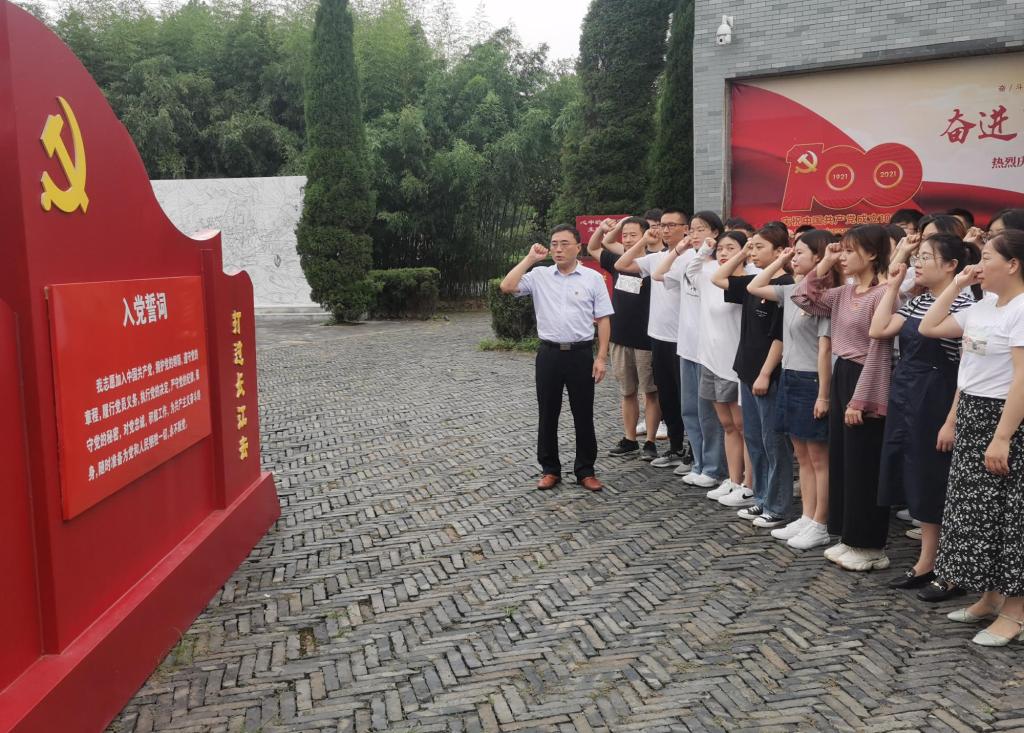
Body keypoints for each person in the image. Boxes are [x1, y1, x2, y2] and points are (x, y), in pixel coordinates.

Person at [919, 228, 1024, 647]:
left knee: (1009, 518)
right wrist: (959, 285)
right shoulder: (982, 306)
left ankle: (1015, 612)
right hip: (973, 414)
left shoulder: (1021, 309)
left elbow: (1022, 379)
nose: (978, 265)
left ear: (1013, 265)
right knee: (976, 516)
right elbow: (929, 326)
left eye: (987, 258)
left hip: (1005, 419)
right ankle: (989, 597)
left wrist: (1003, 436)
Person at [869, 233, 978, 595]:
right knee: (915, 477)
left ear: (951, 266)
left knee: (936, 479)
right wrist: (893, 285)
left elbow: (967, 370)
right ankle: (927, 560)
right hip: (906, 394)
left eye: (926, 258)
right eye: (917, 257)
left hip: (937, 398)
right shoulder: (918, 301)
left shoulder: (965, 305)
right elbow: (878, 329)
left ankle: (946, 565)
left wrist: (952, 418)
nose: (917, 264)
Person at [792, 224, 896, 571]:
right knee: (845, 461)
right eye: (843, 249)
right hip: (843, 375)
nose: (844, 256)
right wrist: (826, 261)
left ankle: (871, 546)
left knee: (865, 464)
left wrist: (860, 400)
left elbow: (880, 351)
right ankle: (850, 537)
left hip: (867, 379)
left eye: (851, 250)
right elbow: (803, 296)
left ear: (873, 254)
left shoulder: (883, 294)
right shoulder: (844, 292)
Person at [500, 226, 613, 492]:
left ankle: (585, 470)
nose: (558, 249)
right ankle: (550, 469)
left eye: (564, 244)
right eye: (554, 244)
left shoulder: (592, 278)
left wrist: (601, 357)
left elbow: (603, 319)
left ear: (578, 247)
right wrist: (530, 259)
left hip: (581, 354)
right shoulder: (539, 275)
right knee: (547, 413)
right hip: (549, 354)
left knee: (583, 413)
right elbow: (507, 286)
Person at [747, 229, 837, 549]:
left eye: (800, 253)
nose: (793, 257)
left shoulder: (826, 297)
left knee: (818, 458)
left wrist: (824, 394)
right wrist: (781, 260)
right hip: (789, 376)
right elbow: (754, 286)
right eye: (792, 252)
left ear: (820, 257)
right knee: (802, 455)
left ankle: (821, 522)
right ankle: (807, 516)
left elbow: (826, 350)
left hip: (812, 380)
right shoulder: (792, 290)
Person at [654, 231, 752, 498]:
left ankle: (748, 484)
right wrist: (704, 250)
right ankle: (732, 479)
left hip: (733, 365)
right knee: (727, 424)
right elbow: (689, 271)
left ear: (744, 251)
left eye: (731, 248)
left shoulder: (749, 280)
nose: (723, 253)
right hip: (709, 359)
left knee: (743, 427)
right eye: (721, 249)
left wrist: (742, 256)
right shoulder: (708, 274)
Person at [711, 226, 794, 525]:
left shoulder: (785, 286)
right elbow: (718, 278)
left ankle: (778, 506)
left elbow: (780, 337)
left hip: (767, 376)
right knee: (754, 439)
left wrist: (765, 373)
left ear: (780, 251)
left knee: (774, 443)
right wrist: (743, 253)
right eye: (752, 247)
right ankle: (761, 497)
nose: (753, 252)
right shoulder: (753, 282)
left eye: (760, 247)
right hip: (746, 371)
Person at [616, 209, 690, 468]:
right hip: (658, 337)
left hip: (684, 339)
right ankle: (676, 447)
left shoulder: (693, 258)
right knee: (667, 396)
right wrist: (642, 242)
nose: (665, 230)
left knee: (686, 398)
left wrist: (679, 250)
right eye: (663, 225)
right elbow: (621, 265)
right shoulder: (655, 257)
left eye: (672, 225)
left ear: (686, 229)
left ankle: (695, 450)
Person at [588, 216, 661, 461]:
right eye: (625, 235)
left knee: (650, 392)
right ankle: (630, 439)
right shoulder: (617, 261)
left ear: (646, 235)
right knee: (627, 391)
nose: (628, 239)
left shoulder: (654, 261)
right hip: (620, 337)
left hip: (647, 338)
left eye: (633, 234)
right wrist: (614, 226)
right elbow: (594, 247)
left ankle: (650, 441)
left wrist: (642, 242)